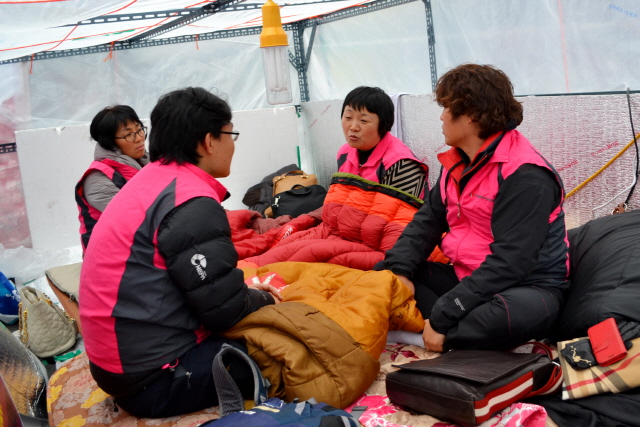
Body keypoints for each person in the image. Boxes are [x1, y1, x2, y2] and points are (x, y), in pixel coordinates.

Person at [79, 87, 283, 418]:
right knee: (287, 347)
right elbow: (224, 311)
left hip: (119, 363)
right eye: (230, 134)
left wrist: (242, 294)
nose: (233, 145)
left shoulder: (150, 179)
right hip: (152, 380)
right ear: (208, 141)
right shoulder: (190, 200)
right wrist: (263, 299)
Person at [374, 64, 570, 352]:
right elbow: (427, 222)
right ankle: (442, 329)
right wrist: (400, 272)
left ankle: (425, 331)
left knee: (506, 317)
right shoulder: (457, 162)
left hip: (525, 287)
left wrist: (445, 312)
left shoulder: (525, 175)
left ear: (472, 114)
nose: (441, 116)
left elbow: (511, 262)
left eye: (447, 108)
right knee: (386, 274)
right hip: (466, 277)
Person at [75, 105, 150, 250]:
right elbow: (135, 222)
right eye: (129, 134)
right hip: (111, 254)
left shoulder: (148, 162)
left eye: (139, 129)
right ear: (110, 142)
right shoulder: (98, 179)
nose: (139, 138)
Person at [337, 86, 428, 198]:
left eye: (364, 120)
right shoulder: (344, 153)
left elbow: (397, 209)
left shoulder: (401, 164)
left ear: (384, 125)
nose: (353, 127)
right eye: (348, 117)